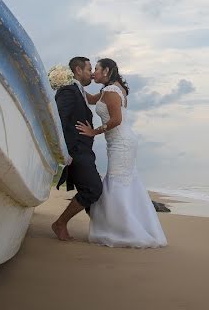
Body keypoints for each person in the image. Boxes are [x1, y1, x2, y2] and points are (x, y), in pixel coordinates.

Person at [76, 58, 167, 248]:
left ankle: (124, 231)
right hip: (120, 141)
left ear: (107, 71)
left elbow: (116, 120)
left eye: (97, 69)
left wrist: (94, 132)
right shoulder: (110, 89)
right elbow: (90, 99)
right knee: (125, 182)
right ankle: (124, 226)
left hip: (121, 142)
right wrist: (72, 82)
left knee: (117, 182)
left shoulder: (110, 91)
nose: (93, 73)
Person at [51, 56, 103, 241]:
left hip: (84, 151)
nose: (91, 73)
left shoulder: (79, 91)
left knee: (92, 188)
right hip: (77, 152)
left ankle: (101, 230)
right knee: (93, 189)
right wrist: (65, 152)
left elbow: (97, 98)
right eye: (89, 69)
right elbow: (59, 122)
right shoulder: (68, 91)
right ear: (78, 70)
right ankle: (60, 223)